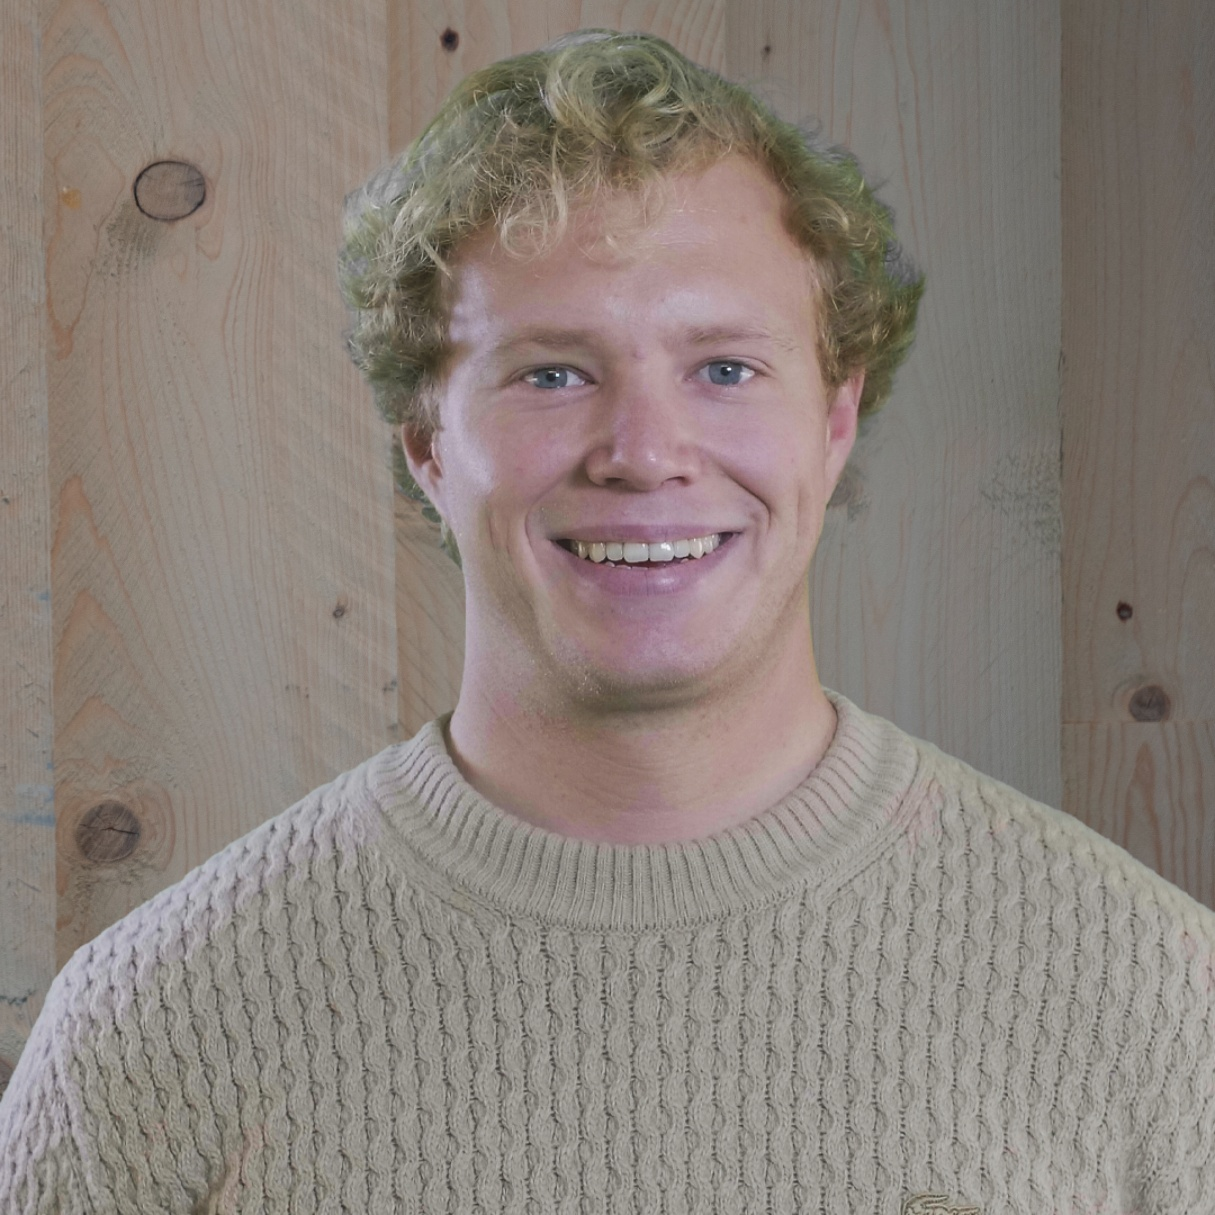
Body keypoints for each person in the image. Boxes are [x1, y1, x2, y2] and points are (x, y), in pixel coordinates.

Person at [2, 28, 1213, 1215]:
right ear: (427, 444)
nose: (643, 452)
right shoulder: (152, 1035)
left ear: (835, 421)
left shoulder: (1152, 1001)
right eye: (552, 373)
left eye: (725, 368)